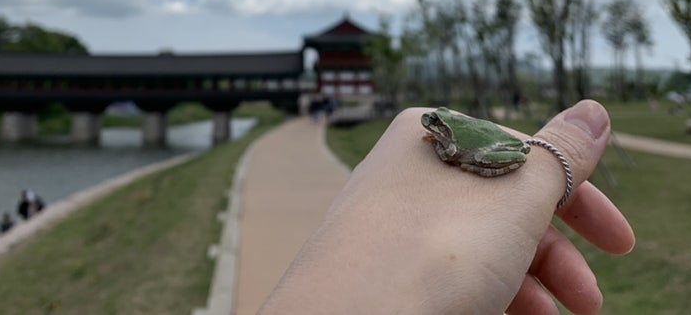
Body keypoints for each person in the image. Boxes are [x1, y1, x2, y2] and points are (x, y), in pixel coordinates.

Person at [258, 100, 635, 315]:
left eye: (436, 122)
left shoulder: (446, 138)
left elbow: (452, 151)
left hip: (496, 152)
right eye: (434, 120)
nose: (429, 125)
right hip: (495, 141)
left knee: (464, 157)